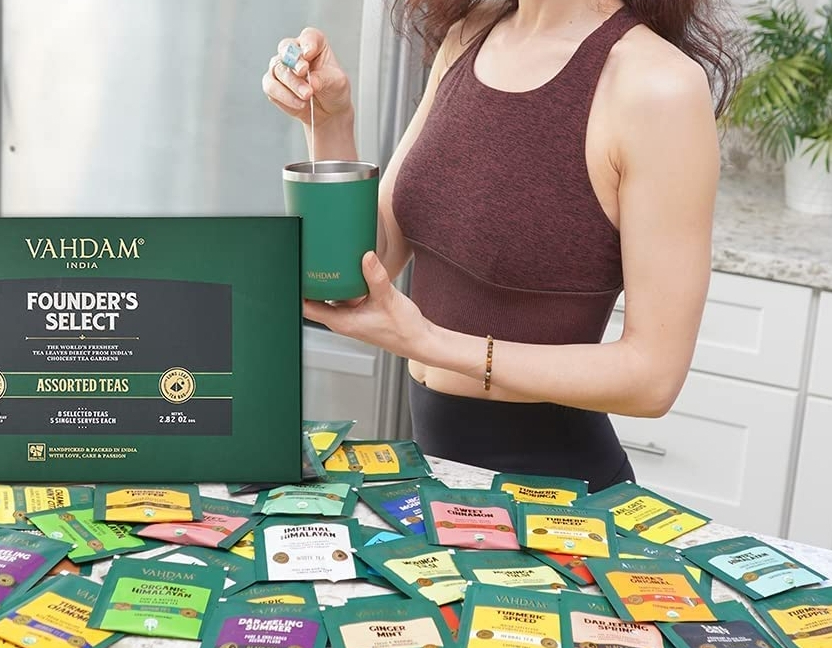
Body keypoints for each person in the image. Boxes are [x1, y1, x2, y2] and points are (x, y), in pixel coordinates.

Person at [262, 0, 737, 491]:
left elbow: (653, 379)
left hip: (558, 500)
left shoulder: (658, 85)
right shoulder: (469, 36)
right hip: (436, 479)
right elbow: (364, 270)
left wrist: (430, 342)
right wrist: (332, 121)